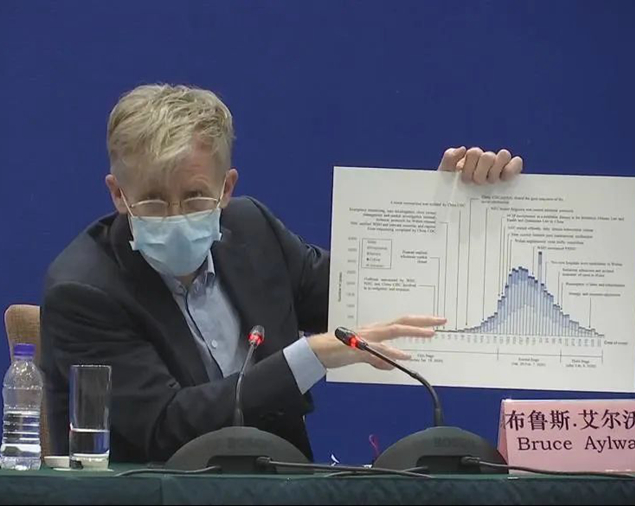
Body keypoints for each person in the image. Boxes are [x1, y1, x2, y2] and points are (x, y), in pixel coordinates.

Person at [39, 84, 524, 463]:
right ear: (117, 194)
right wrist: (311, 357)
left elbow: (369, 295)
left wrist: (451, 210)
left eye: (195, 197)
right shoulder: (83, 290)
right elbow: (166, 426)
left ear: (227, 188)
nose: (175, 216)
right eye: (151, 200)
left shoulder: (252, 231)